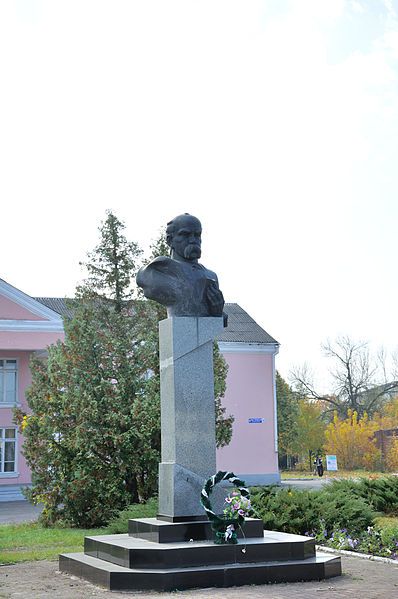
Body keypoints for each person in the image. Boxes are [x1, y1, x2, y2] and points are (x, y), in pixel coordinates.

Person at [136, 213, 226, 321]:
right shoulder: (159, 269)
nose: (193, 240)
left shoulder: (210, 275)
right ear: (170, 240)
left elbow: (219, 321)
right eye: (185, 234)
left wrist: (217, 314)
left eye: (197, 235)